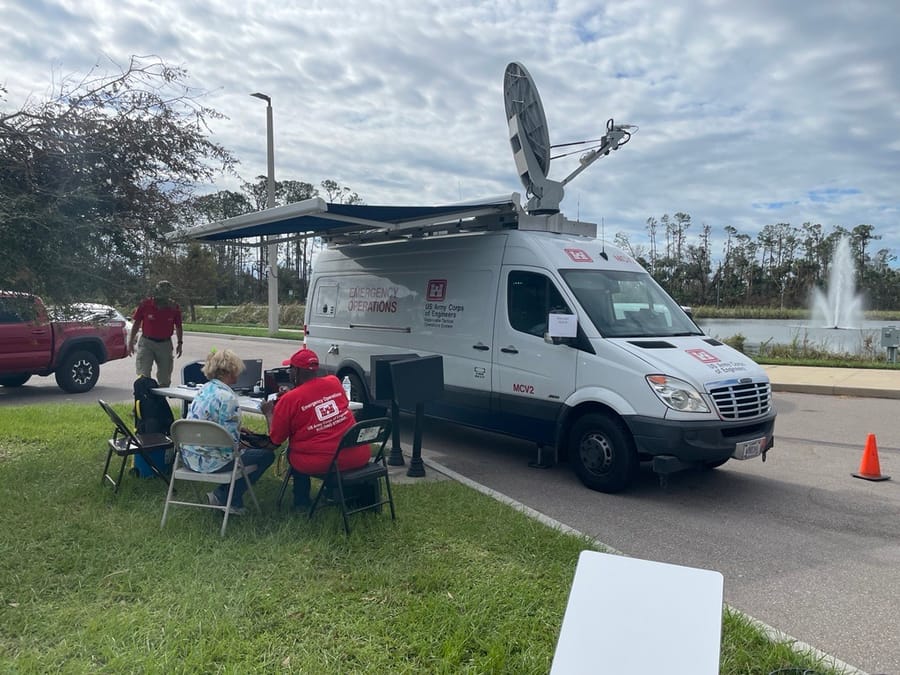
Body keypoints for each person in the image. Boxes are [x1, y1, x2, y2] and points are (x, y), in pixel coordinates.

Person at [262, 347, 369, 509]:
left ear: (295, 371)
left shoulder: (290, 399)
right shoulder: (334, 382)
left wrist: (269, 413)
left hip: (329, 462)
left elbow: (275, 439)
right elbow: (317, 397)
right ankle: (330, 494)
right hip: (359, 453)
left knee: (293, 453)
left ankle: (301, 503)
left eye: (290, 369)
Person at [181, 348, 275, 515]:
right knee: (266, 455)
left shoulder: (202, 391)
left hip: (190, 457)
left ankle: (227, 498)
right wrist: (247, 443)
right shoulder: (229, 399)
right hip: (214, 461)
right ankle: (225, 498)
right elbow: (231, 445)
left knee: (247, 451)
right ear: (230, 371)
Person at [129, 280, 184, 387]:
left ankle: (160, 401)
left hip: (165, 344)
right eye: (162, 291)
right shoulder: (146, 304)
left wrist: (180, 343)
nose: (164, 294)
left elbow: (178, 326)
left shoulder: (174, 307)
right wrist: (131, 341)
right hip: (147, 342)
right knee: (143, 375)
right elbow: (136, 323)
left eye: (167, 292)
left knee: (165, 378)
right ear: (157, 291)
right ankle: (144, 400)